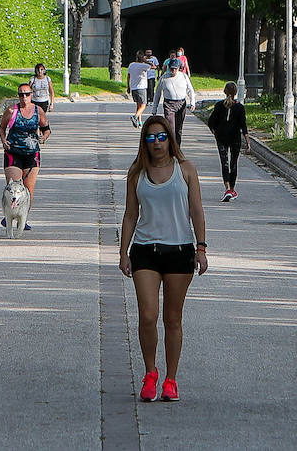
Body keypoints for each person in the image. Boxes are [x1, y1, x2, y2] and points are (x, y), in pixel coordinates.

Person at [119, 116, 207, 403]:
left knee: (172, 318)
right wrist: (123, 252)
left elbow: (196, 211)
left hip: (180, 251)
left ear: (170, 138)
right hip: (145, 250)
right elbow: (131, 214)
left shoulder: (186, 170)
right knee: (148, 315)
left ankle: (171, 379)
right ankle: (150, 372)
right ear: (144, 142)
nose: (156, 143)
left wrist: (201, 248)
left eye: (161, 137)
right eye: (150, 138)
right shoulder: (137, 172)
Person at [0, 83, 51, 230]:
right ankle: (9, 216)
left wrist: (44, 138)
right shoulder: (11, 111)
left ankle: (23, 218)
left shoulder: (38, 111)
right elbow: (2, 128)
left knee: (28, 189)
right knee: (14, 186)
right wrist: (4, 141)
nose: (24, 97)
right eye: (21, 94)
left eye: (27, 94)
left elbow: (46, 129)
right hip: (13, 153)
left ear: (31, 95)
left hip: (32, 154)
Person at [205, 81, 248, 202]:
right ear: (236, 93)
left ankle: (227, 188)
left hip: (222, 137)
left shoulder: (219, 105)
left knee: (224, 162)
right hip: (235, 138)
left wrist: (215, 133)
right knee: (234, 162)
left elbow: (211, 122)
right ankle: (232, 189)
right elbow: (243, 125)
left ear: (225, 92)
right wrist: (247, 140)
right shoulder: (240, 107)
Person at [150, 58, 197, 146]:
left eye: (175, 68)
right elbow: (158, 93)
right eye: (171, 68)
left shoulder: (183, 76)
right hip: (169, 104)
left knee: (178, 129)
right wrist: (154, 108)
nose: (173, 70)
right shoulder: (164, 78)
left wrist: (192, 102)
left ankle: (177, 148)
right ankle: (171, 148)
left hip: (181, 103)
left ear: (179, 68)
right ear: (168, 67)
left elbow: (190, 89)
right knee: (170, 128)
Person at [126, 50, 151, 128]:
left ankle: (139, 122)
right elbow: (154, 66)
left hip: (134, 88)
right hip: (141, 88)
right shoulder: (144, 66)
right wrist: (146, 61)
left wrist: (128, 86)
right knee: (143, 105)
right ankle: (135, 117)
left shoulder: (131, 65)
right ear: (142, 57)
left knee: (138, 106)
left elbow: (128, 76)